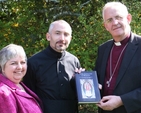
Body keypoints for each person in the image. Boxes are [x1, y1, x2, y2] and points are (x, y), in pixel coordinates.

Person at [23, 20, 83, 113]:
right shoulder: (33, 62)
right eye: (57, 33)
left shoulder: (74, 61)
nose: (62, 38)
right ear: (48, 36)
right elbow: (28, 96)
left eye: (66, 34)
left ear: (70, 39)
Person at [94, 1, 141, 113]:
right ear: (106, 26)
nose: (115, 23)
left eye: (118, 17)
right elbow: (99, 81)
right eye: (109, 20)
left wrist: (122, 100)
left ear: (128, 18)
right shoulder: (103, 49)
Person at [0, 44, 43, 113]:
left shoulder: (20, 84)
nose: (19, 67)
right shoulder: (3, 93)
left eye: (23, 62)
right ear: (3, 68)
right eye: (13, 63)